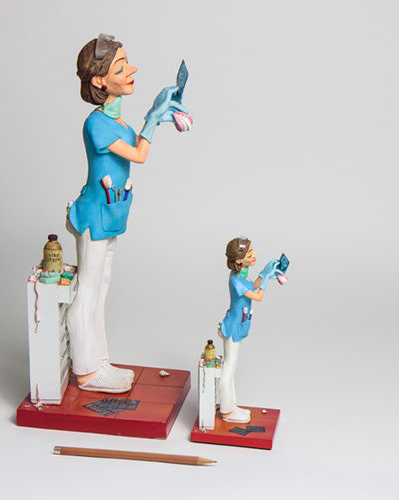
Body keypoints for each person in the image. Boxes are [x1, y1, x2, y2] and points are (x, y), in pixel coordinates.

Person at [66, 34, 188, 393]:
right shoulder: (97, 124)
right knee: (86, 295)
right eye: (121, 68)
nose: (132, 70)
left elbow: (137, 143)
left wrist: (160, 115)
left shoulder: (119, 124)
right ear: (100, 81)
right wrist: (153, 116)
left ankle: (99, 362)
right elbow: (139, 155)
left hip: (111, 214)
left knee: (100, 291)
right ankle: (86, 372)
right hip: (94, 217)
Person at [218, 237, 280, 422]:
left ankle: (231, 406)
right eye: (250, 253)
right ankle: (227, 411)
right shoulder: (235, 280)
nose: (255, 255)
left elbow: (252, 286)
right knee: (228, 369)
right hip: (232, 329)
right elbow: (258, 296)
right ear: (239, 260)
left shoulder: (241, 275)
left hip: (237, 325)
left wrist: (264, 273)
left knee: (231, 367)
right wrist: (267, 279)